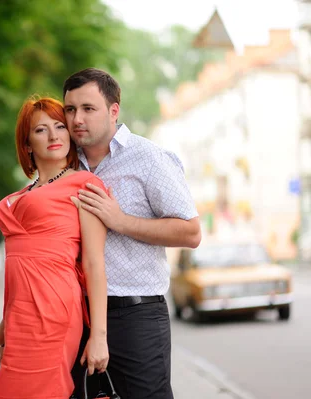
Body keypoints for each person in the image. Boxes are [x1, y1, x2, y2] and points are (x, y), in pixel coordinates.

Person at [64, 68, 201, 399]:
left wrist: (120, 220)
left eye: (88, 108)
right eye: (70, 109)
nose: (76, 119)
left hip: (135, 315)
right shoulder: (65, 165)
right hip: (73, 314)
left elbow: (191, 232)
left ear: (114, 111)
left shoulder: (149, 159)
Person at [0, 96, 110, 399]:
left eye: (60, 126)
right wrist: (6, 323)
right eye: (41, 130)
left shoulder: (84, 184)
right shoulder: (20, 195)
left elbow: (94, 263)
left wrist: (98, 335)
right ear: (27, 144)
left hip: (55, 312)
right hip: (19, 318)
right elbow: (20, 267)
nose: (55, 135)